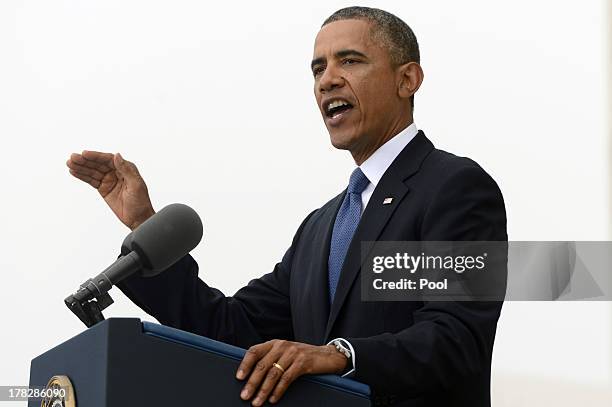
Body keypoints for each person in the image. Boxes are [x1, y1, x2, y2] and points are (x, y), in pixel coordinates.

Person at [66, 6, 506, 407]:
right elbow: (229, 330)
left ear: (407, 79)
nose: (327, 79)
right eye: (318, 68)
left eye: (349, 60)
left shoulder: (453, 188)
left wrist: (338, 355)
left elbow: (456, 337)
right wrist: (146, 225)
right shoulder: (319, 228)